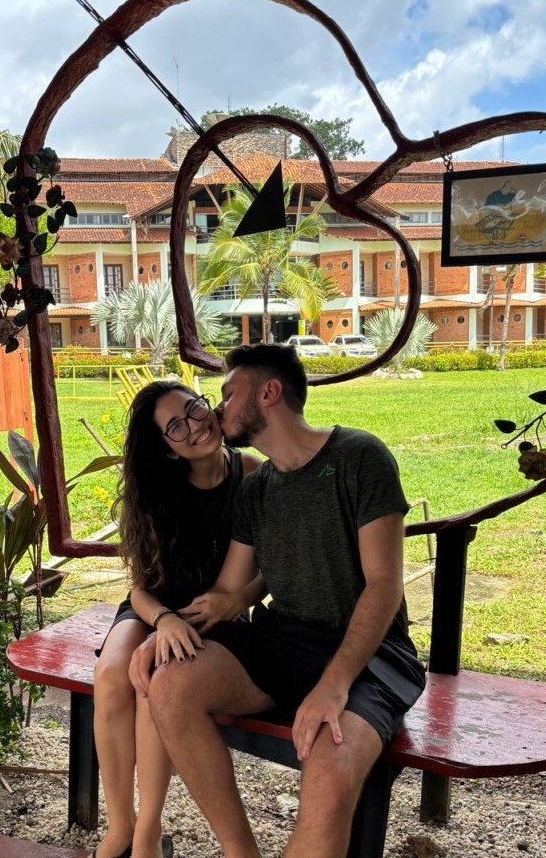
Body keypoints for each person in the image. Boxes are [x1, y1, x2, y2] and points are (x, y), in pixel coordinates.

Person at [129, 344, 426, 858]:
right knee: (171, 686)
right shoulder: (257, 489)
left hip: (373, 656)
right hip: (284, 640)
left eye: (228, 393)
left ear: (269, 393)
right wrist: (167, 628)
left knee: (329, 773)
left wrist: (334, 684)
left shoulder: (359, 457)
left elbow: (384, 585)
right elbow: (227, 593)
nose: (217, 408)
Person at [91, 379, 262, 858]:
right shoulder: (159, 489)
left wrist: (238, 600)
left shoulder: (250, 473)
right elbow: (140, 587)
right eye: (176, 426)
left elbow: (270, 568)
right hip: (157, 607)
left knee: (153, 682)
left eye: (194, 409)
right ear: (166, 447)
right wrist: (164, 619)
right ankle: (120, 826)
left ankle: (148, 830)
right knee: (111, 674)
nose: (194, 426)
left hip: (214, 616)